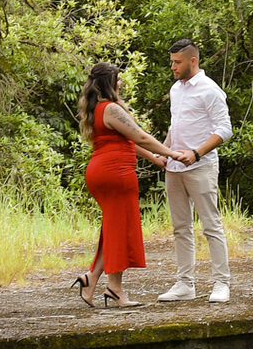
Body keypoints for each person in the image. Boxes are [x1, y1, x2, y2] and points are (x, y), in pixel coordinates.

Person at [72, 61, 194, 309]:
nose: (120, 83)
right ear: (109, 83)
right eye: (117, 79)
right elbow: (139, 135)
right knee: (119, 230)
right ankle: (115, 289)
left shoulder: (99, 109)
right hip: (115, 174)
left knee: (113, 228)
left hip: (105, 171)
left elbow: (129, 141)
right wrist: (172, 153)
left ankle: (91, 278)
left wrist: (154, 157)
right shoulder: (111, 108)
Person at [159, 38, 234, 304]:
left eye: (177, 62)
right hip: (174, 167)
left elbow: (225, 129)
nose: (173, 67)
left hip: (200, 166)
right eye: (171, 62)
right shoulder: (176, 90)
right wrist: (164, 150)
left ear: (193, 61)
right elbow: (175, 126)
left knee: (211, 225)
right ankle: (184, 283)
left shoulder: (209, 90)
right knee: (181, 227)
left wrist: (197, 153)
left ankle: (221, 283)